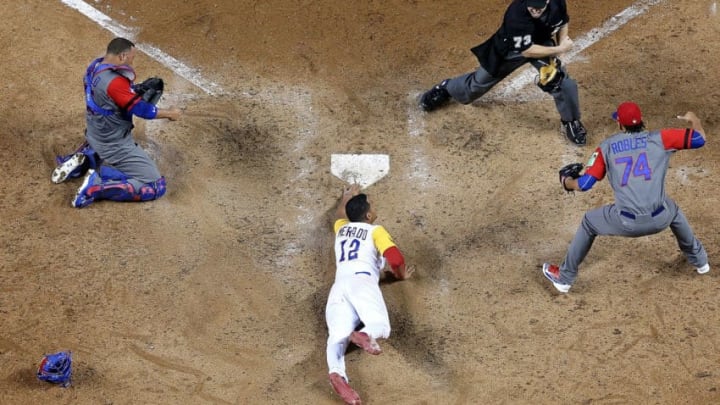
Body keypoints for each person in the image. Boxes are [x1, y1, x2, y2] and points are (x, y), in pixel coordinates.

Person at [542, 102, 709, 293]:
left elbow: (584, 184)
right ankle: (701, 262)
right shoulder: (661, 138)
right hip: (661, 218)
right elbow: (699, 138)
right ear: (642, 121)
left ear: (620, 125)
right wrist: (693, 118)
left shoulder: (607, 147)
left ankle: (564, 278)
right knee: (674, 210)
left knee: (589, 222)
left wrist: (566, 182)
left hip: (626, 222)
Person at [419, 0, 587, 145]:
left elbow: (562, 22)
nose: (535, 10)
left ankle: (571, 121)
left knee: (560, 80)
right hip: (509, 50)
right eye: (532, 7)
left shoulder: (557, 3)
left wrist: (560, 53)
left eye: (539, 7)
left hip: (541, 42)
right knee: (475, 87)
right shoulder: (516, 15)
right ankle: (447, 88)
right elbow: (527, 51)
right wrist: (559, 48)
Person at [51, 37, 182, 208]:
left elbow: (108, 98)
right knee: (155, 186)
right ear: (122, 56)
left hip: (94, 132)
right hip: (113, 143)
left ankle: (86, 158)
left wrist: (131, 92)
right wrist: (171, 114)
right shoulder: (116, 83)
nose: (132, 61)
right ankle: (96, 185)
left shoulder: (94, 67)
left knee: (105, 118)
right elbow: (143, 111)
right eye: (131, 57)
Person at [325, 184, 414, 404]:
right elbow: (395, 258)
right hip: (362, 283)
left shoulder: (342, 228)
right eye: (371, 208)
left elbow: (340, 214)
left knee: (336, 336)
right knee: (381, 326)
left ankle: (337, 372)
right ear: (368, 215)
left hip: (339, 287)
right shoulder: (376, 230)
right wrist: (400, 275)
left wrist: (346, 198)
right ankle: (365, 334)